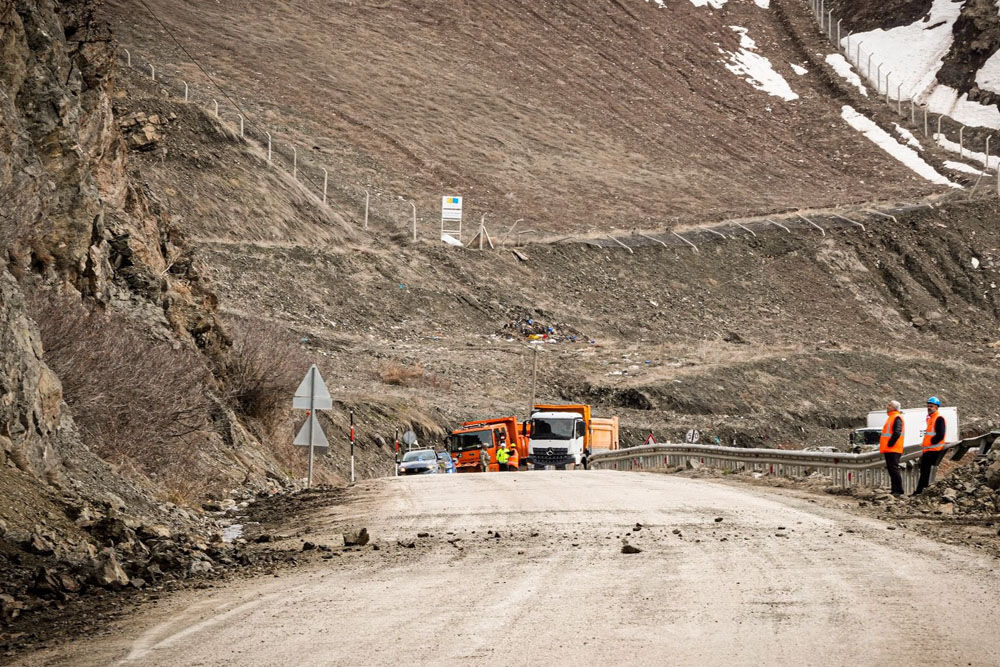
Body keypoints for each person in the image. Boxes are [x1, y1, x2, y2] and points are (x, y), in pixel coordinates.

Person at [913, 397, 947, 495]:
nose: (929, 408)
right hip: (929, 450)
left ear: (936, 407)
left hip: (933, 450)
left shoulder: (938, 418)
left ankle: (920, 491)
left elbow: (940, 434)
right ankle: (921, 491)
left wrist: (931, 441)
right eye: (928, 406)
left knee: (925, 472)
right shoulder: (932, 418)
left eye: (931, 406)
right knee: (924, 471)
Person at [880, 400, 905, 496]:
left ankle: (898, 490)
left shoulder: (896, 417)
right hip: (890, 448)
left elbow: (897, 432)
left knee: (894, 469)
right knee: (892, 469)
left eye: (889, 405)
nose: (887, 406)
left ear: (894, 408)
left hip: (893, 448)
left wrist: (890, 443)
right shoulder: (892, 417)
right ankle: (895, 490)